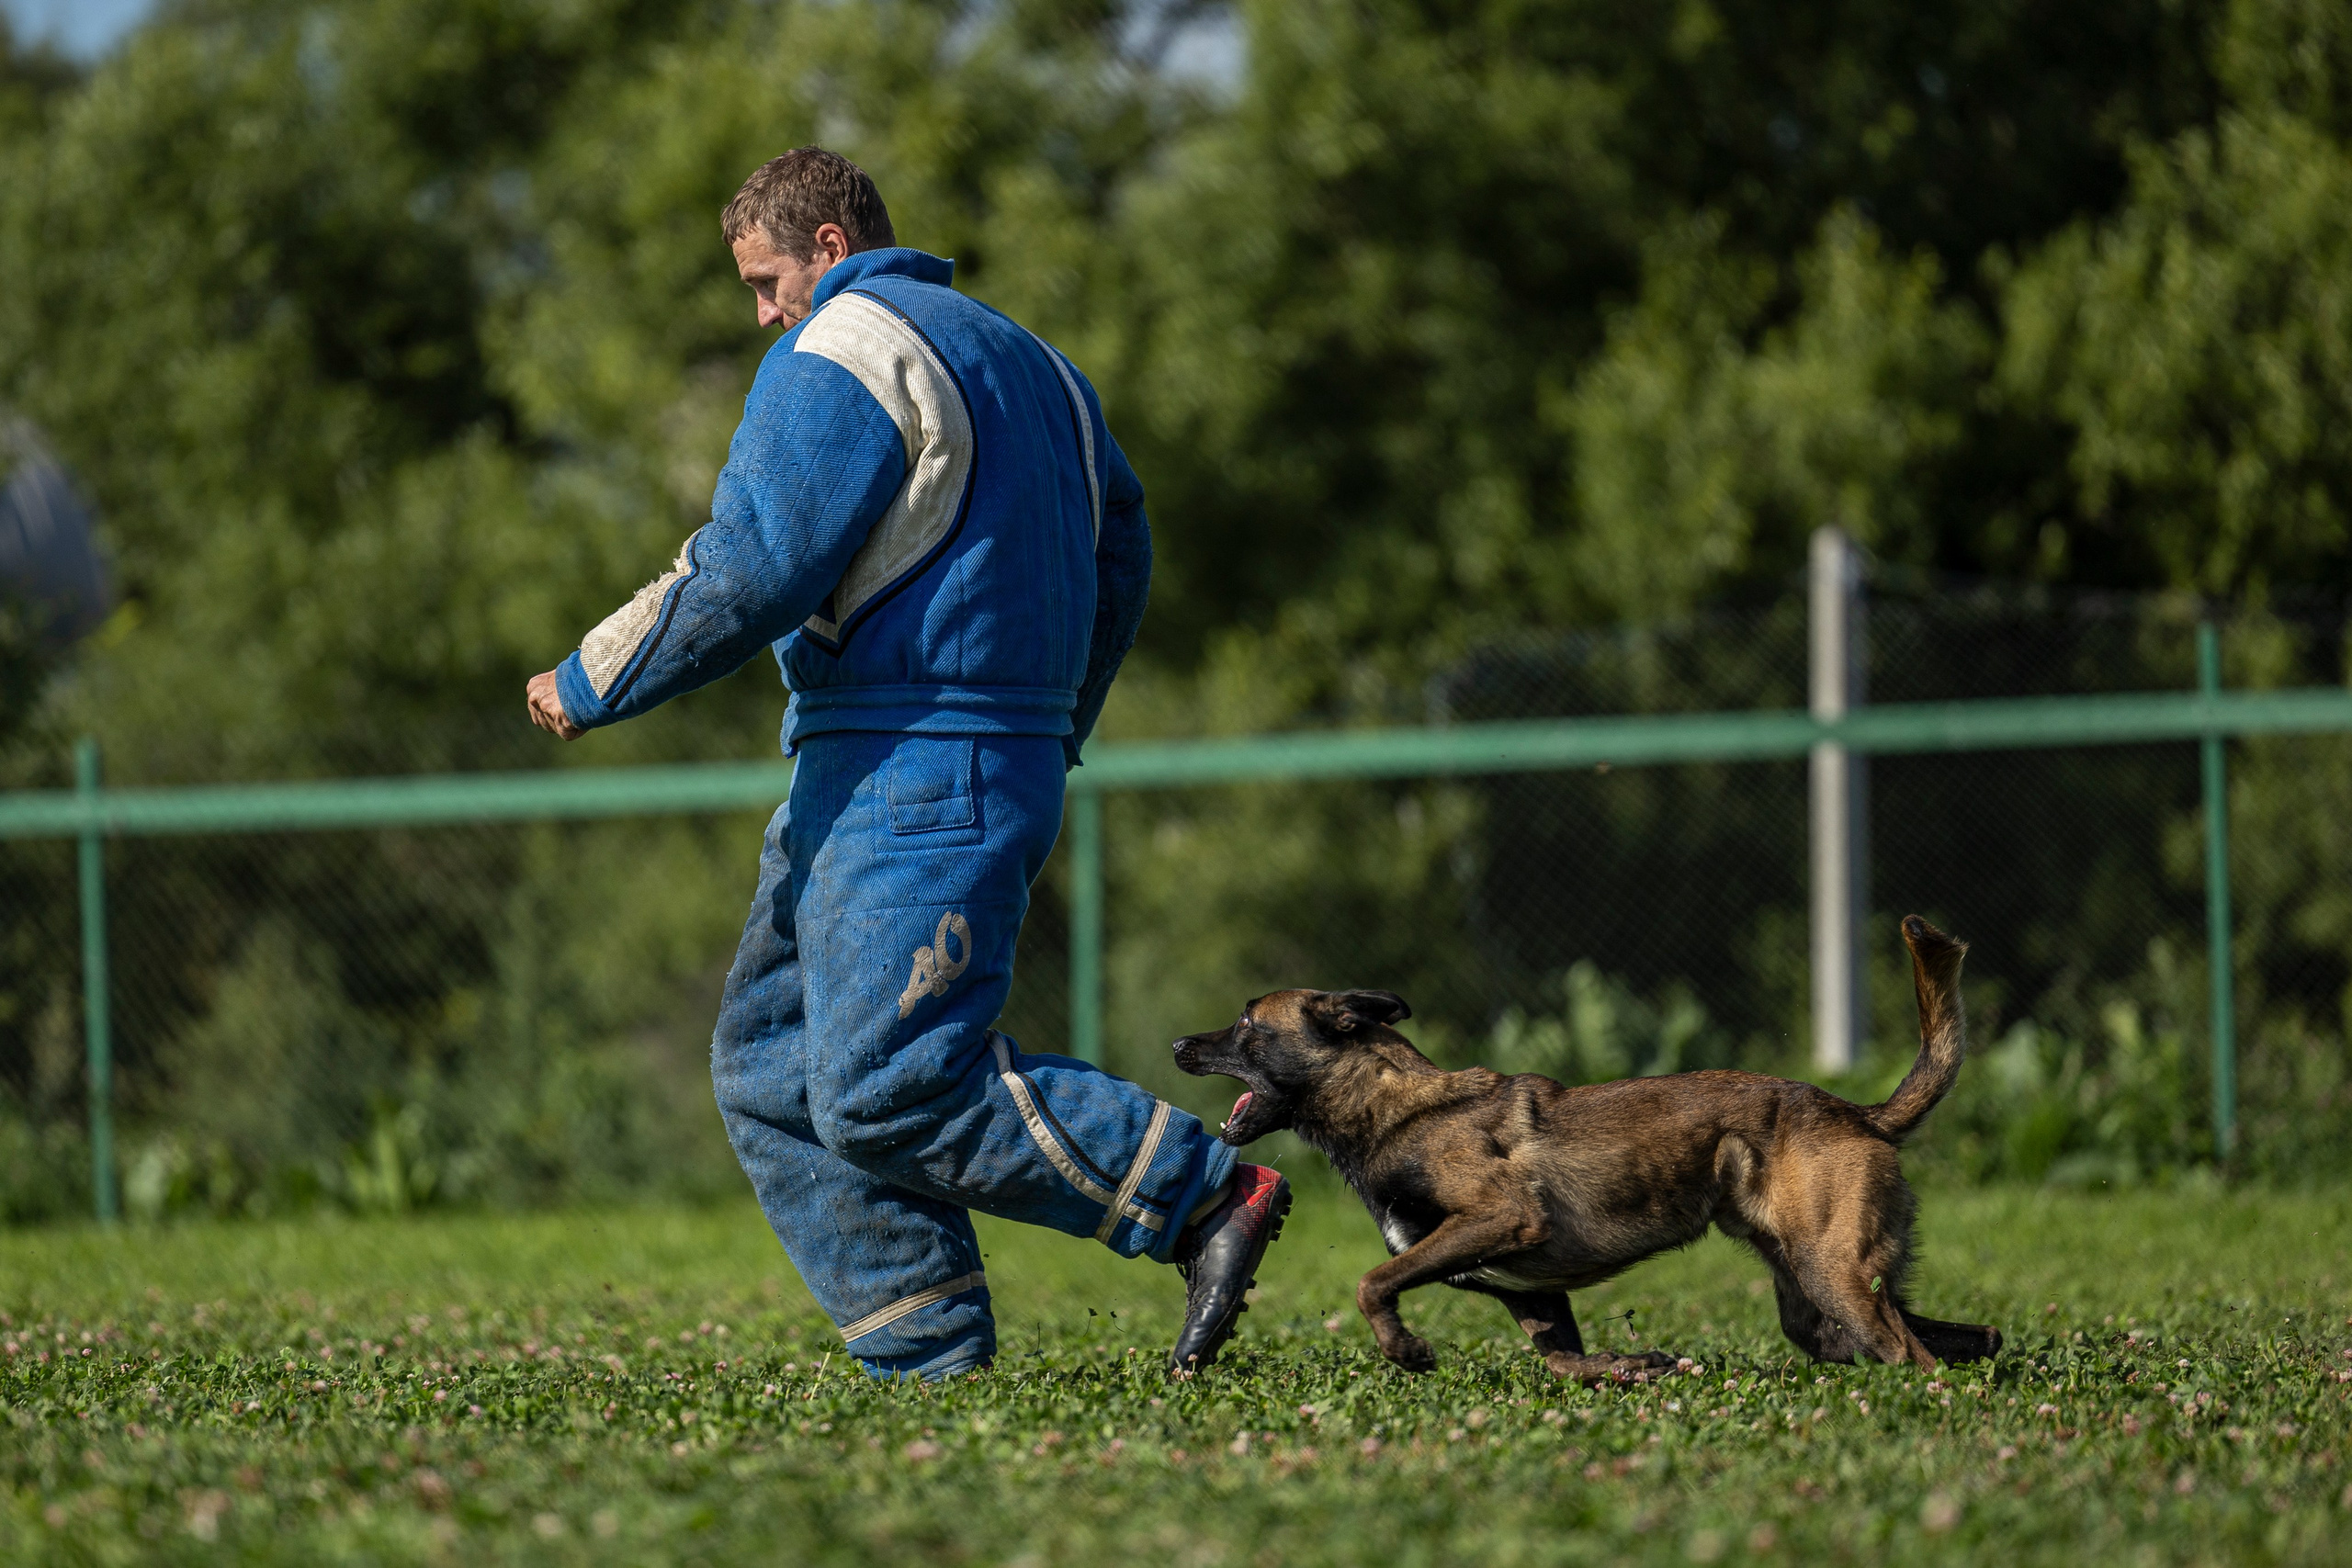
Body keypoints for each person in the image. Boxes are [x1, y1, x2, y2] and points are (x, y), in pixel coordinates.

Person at [524, 148, 1286, 1380]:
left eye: (769, 280)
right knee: (775, 1070)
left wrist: (595, 672)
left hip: (912, 764)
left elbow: (756, 562)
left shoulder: (843, 348)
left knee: (889, 1084)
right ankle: (928, 1361)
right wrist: (1053, 719)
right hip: (954, 754)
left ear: (830, 243)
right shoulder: (1039, 363)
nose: (764, 312)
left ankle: (1202, 1196)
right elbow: (1124, 556)